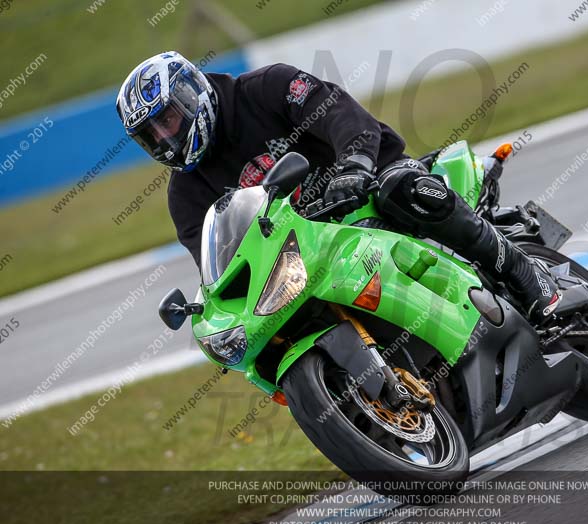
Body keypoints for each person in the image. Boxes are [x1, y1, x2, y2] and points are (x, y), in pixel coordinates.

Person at [116, 51, 562, 322]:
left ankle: (525, 274)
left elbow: (341, 114)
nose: (164, 138)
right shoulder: (186, 195)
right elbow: (219, 268)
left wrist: (354, 165)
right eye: (150, 135)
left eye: (167, 120)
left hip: (367, 182)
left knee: (404, 188)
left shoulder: (265, 87)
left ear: (191, 94)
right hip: (309, 249)